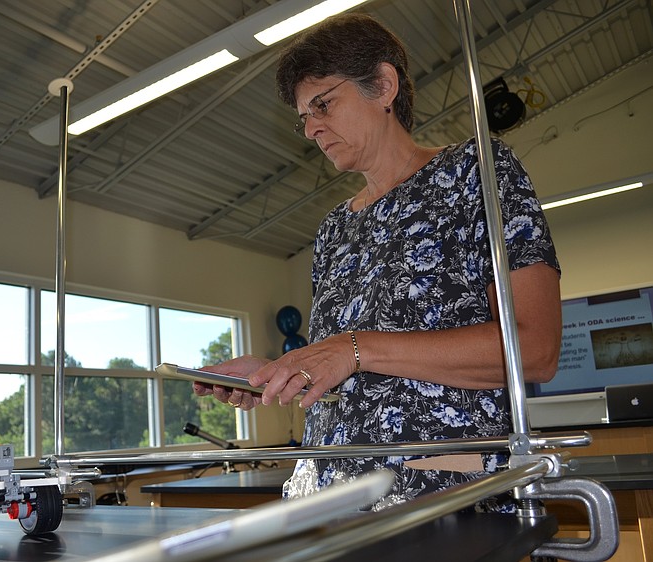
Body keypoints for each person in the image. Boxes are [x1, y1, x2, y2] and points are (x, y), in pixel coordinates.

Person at [194, 13, 561, 508]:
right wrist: (282, 373)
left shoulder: (479, 174)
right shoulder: (333, 230)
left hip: (443, 498)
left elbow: (534, 348)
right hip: (332, 500)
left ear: (384, 86)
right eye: (304, 116)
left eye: (322, 104)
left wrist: (355, 348)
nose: (311, 129)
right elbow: (348, 369)